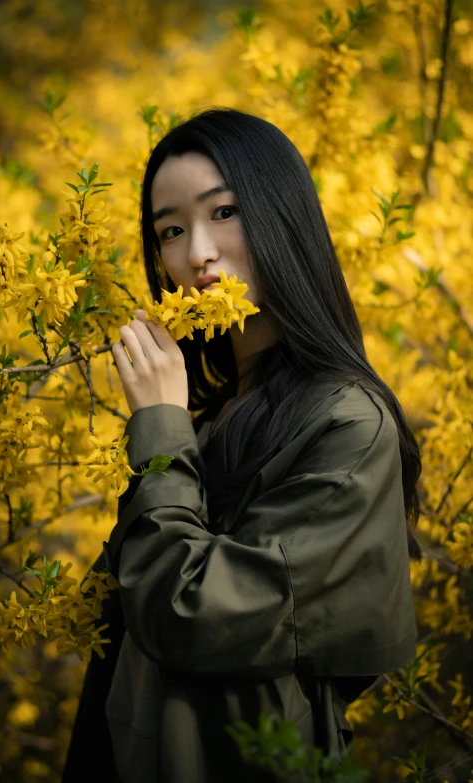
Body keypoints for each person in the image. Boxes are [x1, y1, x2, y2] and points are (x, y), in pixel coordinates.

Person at [62, 107, 422, 783]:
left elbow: (188, 611)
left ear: (281, 215)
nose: (197, 253)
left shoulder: (349, 425)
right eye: (171, 229)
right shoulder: (209, 413)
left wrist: (161, 435)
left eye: (223, 213)